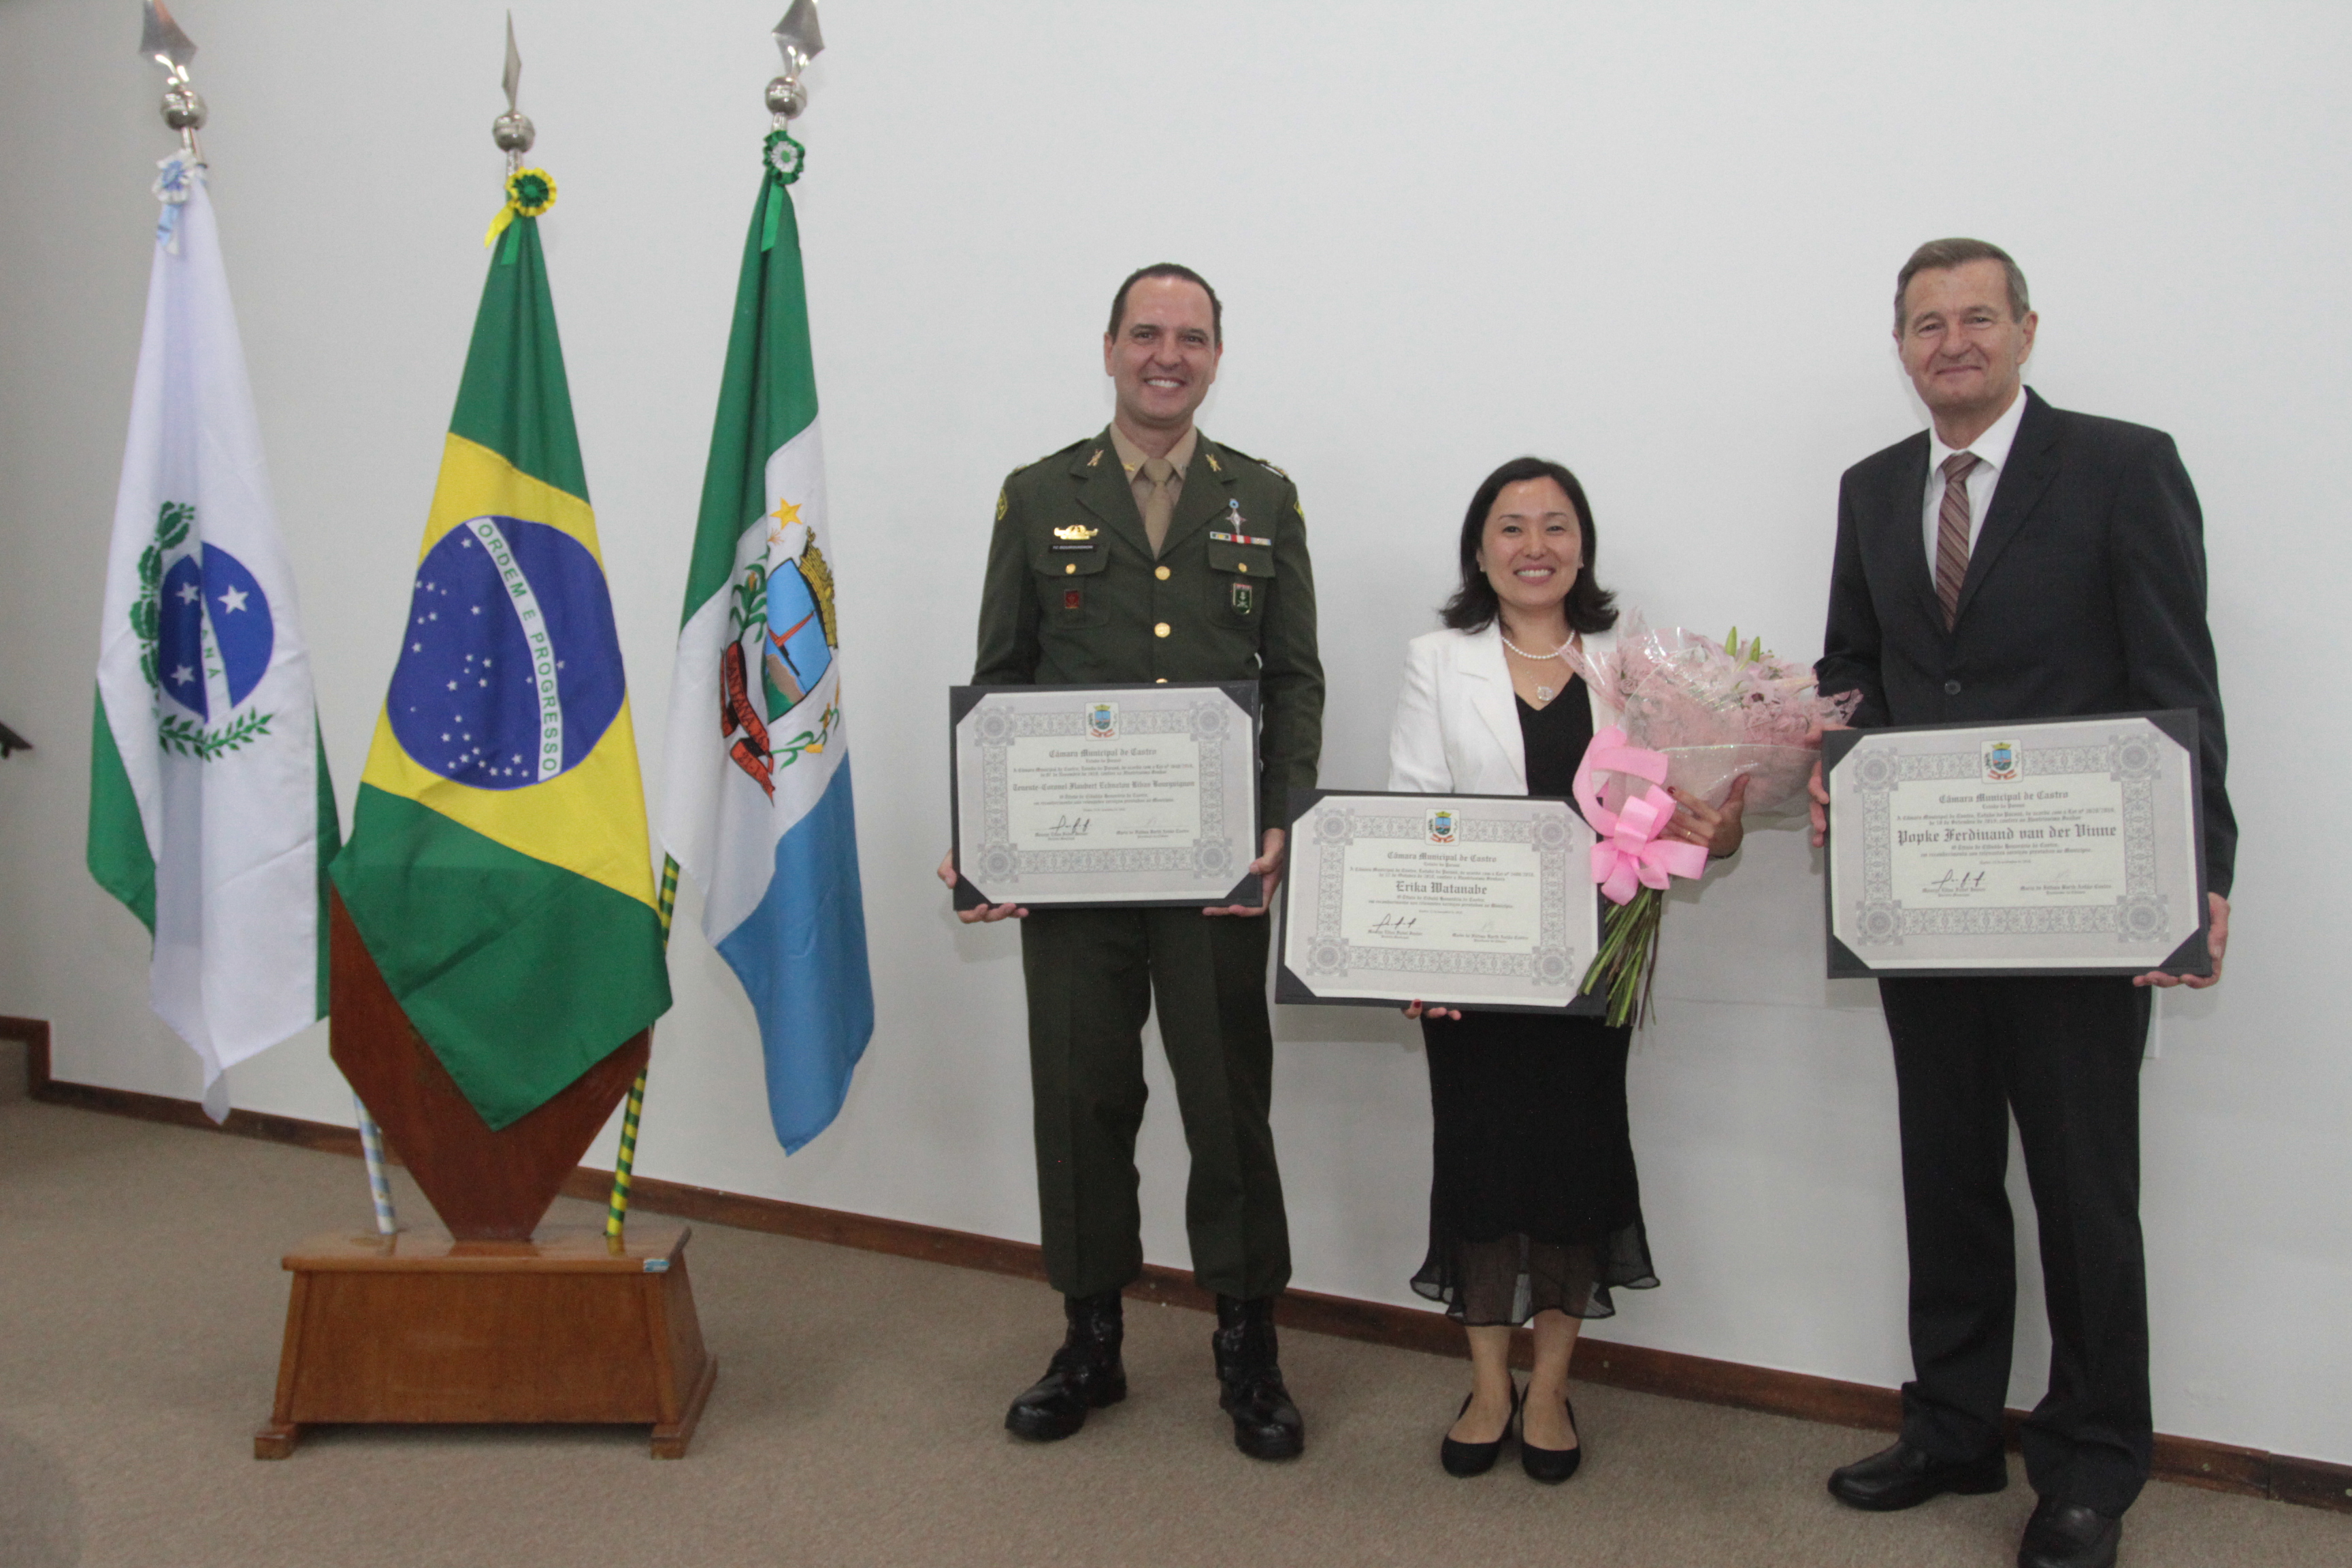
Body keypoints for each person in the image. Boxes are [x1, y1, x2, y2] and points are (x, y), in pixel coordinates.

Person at [1810, 239, 2235, 1568]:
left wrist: (2203, 870)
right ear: (1902, 348)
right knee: (1945, 1178)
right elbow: (1853, 664)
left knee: (2084, 1192)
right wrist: (1837, 769)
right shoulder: (1874, 489)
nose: (1954, 341)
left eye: (1977, 316)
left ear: (2027, 331)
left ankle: (2093, 1463)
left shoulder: (2123, 466)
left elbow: (2180, 677)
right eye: (1927, 322)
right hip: (1921, 904)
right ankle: (1950, 1426)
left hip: (2085, 908)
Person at [937, 263, 1322, 1460]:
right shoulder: (1037, 492)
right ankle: (1090, 1340)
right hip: (1073, 873)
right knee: (1081, 1098)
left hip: (1217, 874)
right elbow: (1001, 678)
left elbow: (1295, 676)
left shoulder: (1263, 495)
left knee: (1228, 1109)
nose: (1169, 354)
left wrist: (1283, 819)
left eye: (1192, 337)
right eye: (1147, 333)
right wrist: (984, 836)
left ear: (1216, 356)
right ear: (1109, 347)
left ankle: (1247, 1349)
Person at [1386, 457, 1745, 1482]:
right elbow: (1416, 812)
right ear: (1480, 549)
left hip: (1599, 960)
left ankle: (1549, 1389)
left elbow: (1697, 824)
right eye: (1510, 527)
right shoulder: (1435, 660)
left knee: (1576, 1162)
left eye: (1554, 526)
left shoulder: (1637, 668)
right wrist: (1411, 949)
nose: (1533, 546)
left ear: (1582, 545)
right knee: (1480, 1158)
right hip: (1473, 960)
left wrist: (1718, 828)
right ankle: (1489, 1384)